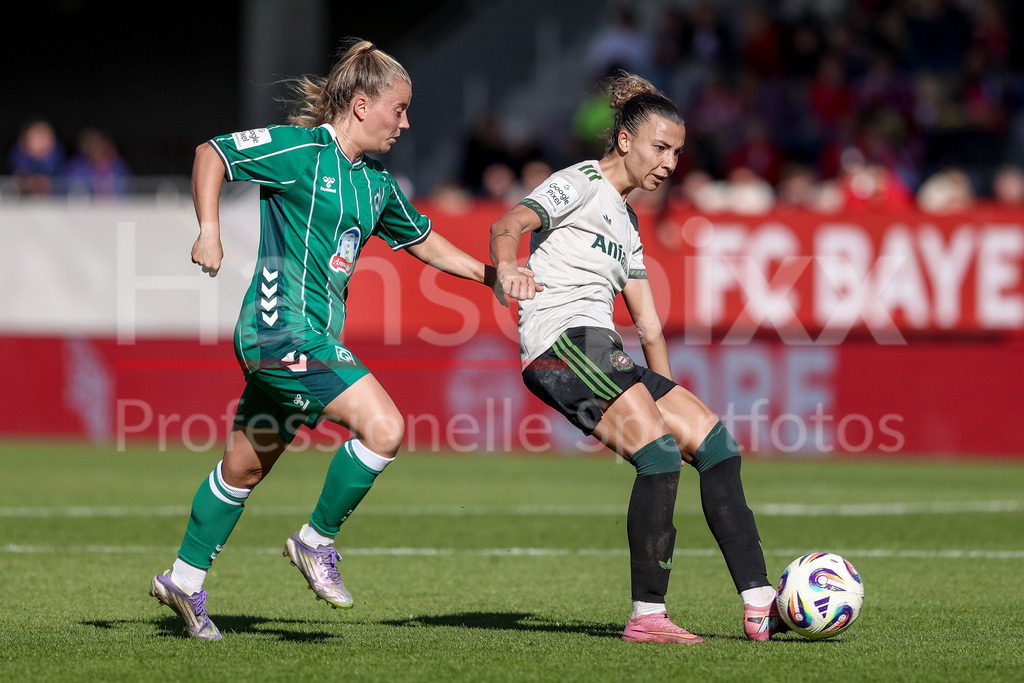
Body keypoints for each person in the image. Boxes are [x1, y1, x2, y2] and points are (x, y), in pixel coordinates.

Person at [150, 39, 513, 640]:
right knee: (386, 427)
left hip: (307, 337)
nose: (405, 122)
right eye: (398, 109)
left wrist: (490, 275)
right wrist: (208, 231)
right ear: (363, 105)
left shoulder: (377, 184)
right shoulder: (299, 151)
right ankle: (315, 542)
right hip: (278, 330)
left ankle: (183, 581)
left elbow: (422, 239)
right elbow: (210, 153)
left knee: (242, 470)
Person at [489, 71, 782, 645]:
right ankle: (648, 616)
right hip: (560, 342)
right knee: (659, 457)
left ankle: (759, 600)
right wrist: (506, 267)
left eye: (678, 151)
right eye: (661, 147)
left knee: (716, 445)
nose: (671, 162)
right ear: (625, 140)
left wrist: (667, 400)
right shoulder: (579, 182)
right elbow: (509, 223)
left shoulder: (626, 220)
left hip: (600, 349)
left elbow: (647, 321)